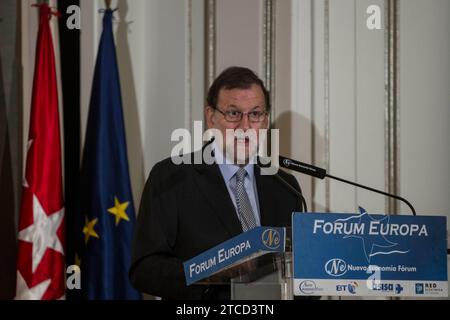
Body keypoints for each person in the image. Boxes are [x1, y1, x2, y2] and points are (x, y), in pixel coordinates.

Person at [129, 66, 304, 299]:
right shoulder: (171, 177)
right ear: (211, 118)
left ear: (265, 121)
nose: (245, 127)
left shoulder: (285, 186)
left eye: (255, 114)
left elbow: (300, 270)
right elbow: (145, 270)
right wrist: (212, 272)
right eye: (233, 113)